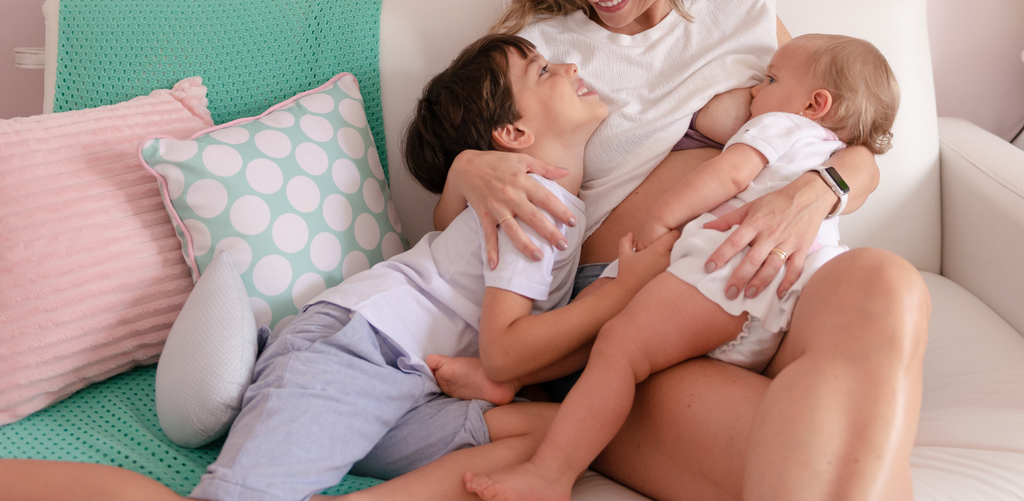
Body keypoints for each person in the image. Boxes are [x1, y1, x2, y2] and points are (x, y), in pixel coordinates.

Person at [436, 0, 930, 501]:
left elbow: (855, 138)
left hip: (766, 285)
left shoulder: (747, 18)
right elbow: (447, 230)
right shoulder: (538, 51)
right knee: (823, 467)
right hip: (629, 318)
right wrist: (468, 168)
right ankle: (565, 418)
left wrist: (815, 192)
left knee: (889, 283)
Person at [0, 34, 675, 501]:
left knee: (557, 432)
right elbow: (508, 346)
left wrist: (487, 368)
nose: (565, 68)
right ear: (515, 136)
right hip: (354, 350)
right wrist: (623, 292)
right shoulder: (538, 203)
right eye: (543, 70)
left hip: (409, 382)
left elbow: (504, 338)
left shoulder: (547, 201)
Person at [462, 33, 900, 501]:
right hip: (741, 286)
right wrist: (467, 166)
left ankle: (546, 464)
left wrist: (665, 217)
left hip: (709, 269)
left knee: (619, 344)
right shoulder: (541, 40)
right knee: (820, 456)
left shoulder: (760, 51)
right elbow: (462, 176)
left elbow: (845, 156)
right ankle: (522, 386)